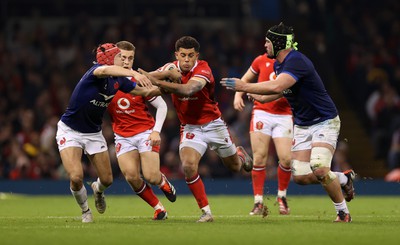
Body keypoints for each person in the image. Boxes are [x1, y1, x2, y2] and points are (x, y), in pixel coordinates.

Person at [221, 23, 355, 222]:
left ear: (278, 43)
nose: (264, 45)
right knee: (300, 176)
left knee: (318, 166)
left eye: (267, 41)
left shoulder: (296, 61)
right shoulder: (279, 64)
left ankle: (343, 212)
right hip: (302, 124)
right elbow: (282, 90)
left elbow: (278, 84)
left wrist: (244, 85)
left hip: (324, 121)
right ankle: (344, 178)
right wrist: (264, 98)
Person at [140, 36, 253, 222]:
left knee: (235, 167)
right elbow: (143, 79)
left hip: (213, 124)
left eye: (190, 55)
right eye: (182, 55)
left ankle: (239, 154)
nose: (186, 60)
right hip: (190, 127)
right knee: (188, 166)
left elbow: (188, 90)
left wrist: (158, 81)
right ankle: (206, 212)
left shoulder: (203, 70)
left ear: (196, 56)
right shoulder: (170, 68)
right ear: (176, 55)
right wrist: (154, 76)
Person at [56, 42, 153, 223]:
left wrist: (170, 88)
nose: (123, 61)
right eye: (119, 57)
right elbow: (104, 71)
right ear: (109, 59)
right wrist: (133, 72)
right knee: (76, 176)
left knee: (107, 179)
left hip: (93, 133)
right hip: (70, 131)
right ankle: (86, 211)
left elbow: (144, 91)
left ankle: (98, 190)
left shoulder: (119, 80)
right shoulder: (95, 72)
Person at [107, 41, 176, 220]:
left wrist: (156, 131)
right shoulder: (104, 81)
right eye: (122, 57)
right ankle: (159, 207)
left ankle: (162, 181)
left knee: (151, 177)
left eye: (130, 58)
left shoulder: (139, 79)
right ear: (114, 57)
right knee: (131, 176)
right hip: (122, 136)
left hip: (145, 132)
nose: (126, 61)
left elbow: (162, 106)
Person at [233, 53, 293, 215]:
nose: (266, 45)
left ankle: (282, 196)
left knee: (286, 159)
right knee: (259, 157)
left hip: (284, 114)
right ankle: (258, 201)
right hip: (262, 112)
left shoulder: (291, 61)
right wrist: (238, 95)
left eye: (268, 42)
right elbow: (245, 79)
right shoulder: (260, 60)